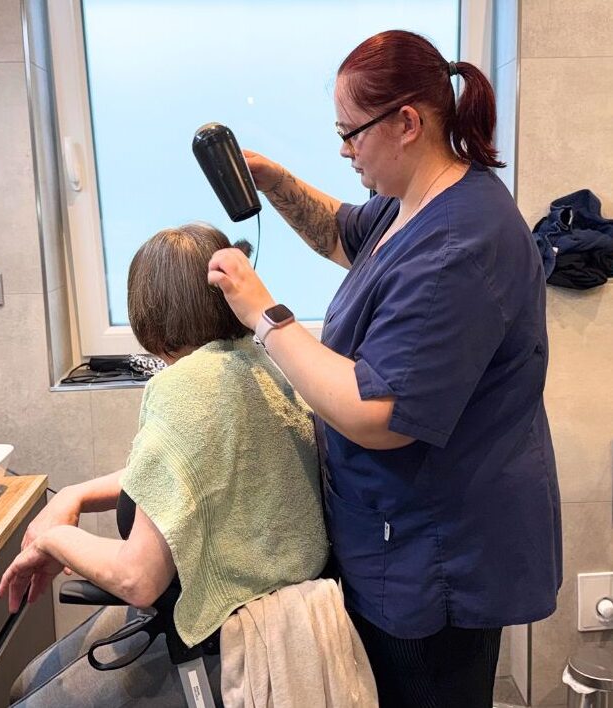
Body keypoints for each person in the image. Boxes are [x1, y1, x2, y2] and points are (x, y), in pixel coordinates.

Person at [207, 29, 562, 708]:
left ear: (406, 123)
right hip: (394, 537)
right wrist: (272, 180)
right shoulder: (415, 203)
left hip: (438, 557)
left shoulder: (461, 243)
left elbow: (379, 415)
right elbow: (340, 232)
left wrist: (264, 316)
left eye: (352, 133)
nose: (345, 150)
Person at [0, 223, 328, 706]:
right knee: (26, 685)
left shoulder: (183, 388)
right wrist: (76, 494)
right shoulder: (259, 363)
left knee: (23, 697)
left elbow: (138, 578)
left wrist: (53, 538)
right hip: (283, 610)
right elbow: (186, 476)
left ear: (149, 311)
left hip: (225, 634)